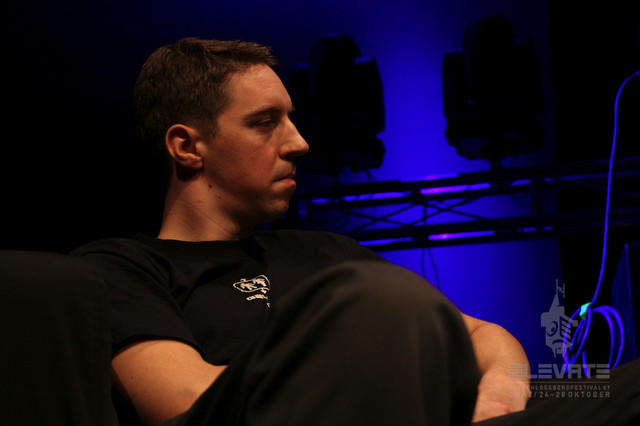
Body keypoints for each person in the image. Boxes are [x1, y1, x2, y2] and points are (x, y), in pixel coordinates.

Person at [71, 37, 534, 425]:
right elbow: (185, 400)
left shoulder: (329, 252)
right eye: (265, 123)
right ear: (188, 146)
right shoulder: (117, 270)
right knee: (383, 295)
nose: (299, 143)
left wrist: (500, 393)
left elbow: (483, 335)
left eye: (291, 120)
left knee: (584, 397)